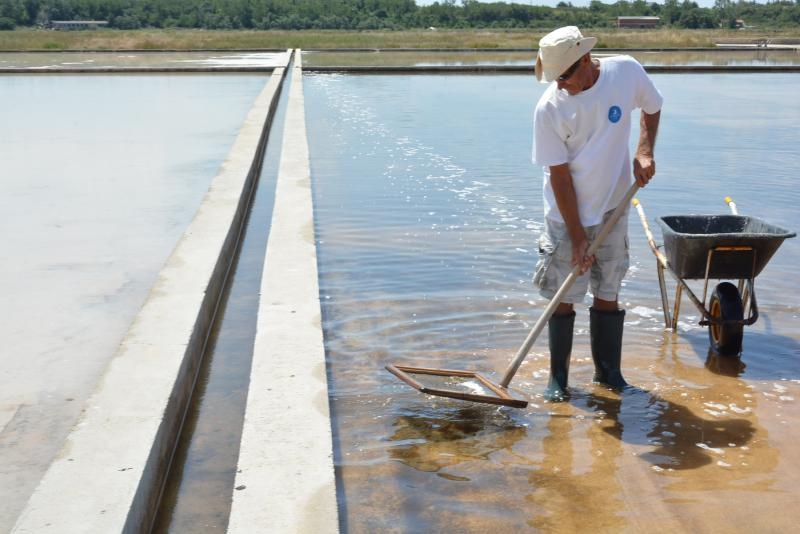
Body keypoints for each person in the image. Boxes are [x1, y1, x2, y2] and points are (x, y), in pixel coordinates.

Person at [532, 26, 662, 402]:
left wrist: (645, 151)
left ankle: (610, 376)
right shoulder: (550, 108)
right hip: (566, 213)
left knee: (608, 288)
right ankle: (558, 379)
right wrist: (577, 237)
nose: (562, 84)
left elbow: (652, 107)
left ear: (586, 59)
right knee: (564, 295)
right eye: (555, 77)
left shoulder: (626, 72)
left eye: (567, 75)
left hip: (613, 204)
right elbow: (559, 177)